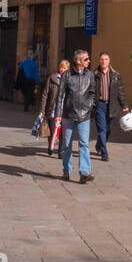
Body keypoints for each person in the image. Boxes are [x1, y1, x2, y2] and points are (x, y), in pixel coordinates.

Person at [55, 49, 96, 183]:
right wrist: (58, 115)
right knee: (67, 144)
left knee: (84, 144)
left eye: (88, 59)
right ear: (78, 61)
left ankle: (84, 172)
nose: (89, 61)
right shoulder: (67, 75)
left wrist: (88, 106)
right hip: (68, 114)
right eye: (86, 59)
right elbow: (60, 95)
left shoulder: (90, 75)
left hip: (84, 115)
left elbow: (93, 93)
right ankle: (66, 170)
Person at [93, 52, 129, 161]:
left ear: (109, 61)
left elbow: (120, 91)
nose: (104, 61)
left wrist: (124, 105)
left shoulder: (115, 75)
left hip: (111, 105)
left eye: (106, 59)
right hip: (99, 105)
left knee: (108, 129)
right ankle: (104, 153)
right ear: (99, 61)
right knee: (102, 129)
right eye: (102, 59)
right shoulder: (94, 74)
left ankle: (99, 145)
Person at [36, 59, 69, 154]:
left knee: (63, 132)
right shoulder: (52, 78)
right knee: (52, 130)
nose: (63, 70)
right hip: (53, 110)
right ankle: (51, 145)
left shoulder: (70, 80)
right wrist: (42, 110)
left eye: (65, 68)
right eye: (61, 67)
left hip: (64, 111)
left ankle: (61, 151)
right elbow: (45, 94)